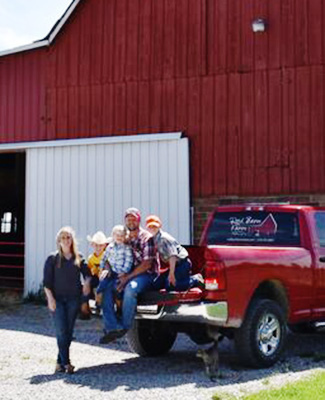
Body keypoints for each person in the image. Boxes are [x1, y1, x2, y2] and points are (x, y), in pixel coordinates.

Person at [100, 207, 157, 344]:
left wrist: (127, 278)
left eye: (133, 218)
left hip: (147, 275)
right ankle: (112, 327)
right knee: (106, 287)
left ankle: (125, 327)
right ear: (125, 221)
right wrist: (106, 269)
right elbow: (108, 256)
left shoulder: (146, 238)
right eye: (128, 218)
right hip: (127, 273)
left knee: (131, 288)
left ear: (139, 220)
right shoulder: (122, 237)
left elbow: (147, 264)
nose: (131, 221)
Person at [43, 226, 91, 374]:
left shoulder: (79, 257)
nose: (66, 240)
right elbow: (46, 282)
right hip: (57, 300)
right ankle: (66, 363)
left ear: (72, 240)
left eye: (68, 237)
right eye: (63, 237)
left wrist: (87, 283)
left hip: (73, 300)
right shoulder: (52, 259)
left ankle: (59, 363)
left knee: (68, 332)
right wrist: (50, 299)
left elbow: (88, 274)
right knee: (61, 331)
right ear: (59, 240)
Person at [145, 215, 204, 291]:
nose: (152, 228)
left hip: (182, 264)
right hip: (174, 266)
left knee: (170, 285)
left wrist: (171, 274)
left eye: (155, 226)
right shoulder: (154, 238)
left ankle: (195, 279)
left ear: (159, 226)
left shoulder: (164, 238)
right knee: (156, 284)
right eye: (150, 226)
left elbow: (173, 256)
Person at [96, 225, 133, 324]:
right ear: (113, 235)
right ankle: (98, 301)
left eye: (122, 235)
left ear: (125, 236)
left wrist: (124, 271)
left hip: (120, 273)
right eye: (117, 235)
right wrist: (101, 268)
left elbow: (129, 261)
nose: (119, 237)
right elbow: (104, 258)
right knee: (102, 283)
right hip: (111, 271)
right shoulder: (110, 247)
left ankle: (119, 307)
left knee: (117, 288)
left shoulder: (127, 248)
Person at [80, 231, 110, 318]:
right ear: (92, 245)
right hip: (95, 276)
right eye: (96, 245)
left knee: (100, 288)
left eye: (101, 245)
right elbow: (89, 270)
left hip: (104, 277)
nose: (98, 247)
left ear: (104, 245)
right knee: (87, 284)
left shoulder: (106, 255)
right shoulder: (91, 258)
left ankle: (99, 305)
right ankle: (87, 306)